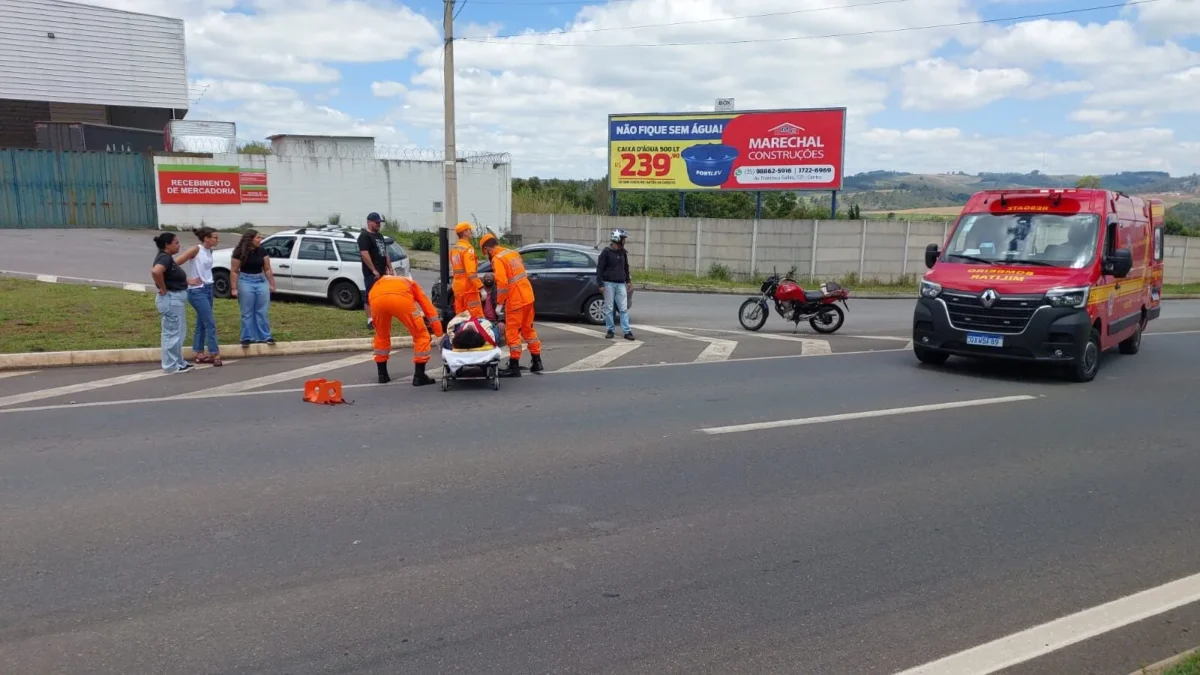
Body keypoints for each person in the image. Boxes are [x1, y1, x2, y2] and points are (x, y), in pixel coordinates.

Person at [481, 233, 543, 376]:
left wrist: (499, 303)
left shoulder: (497, 259)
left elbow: (502, 283)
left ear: (487, 249)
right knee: (528, 330)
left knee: (512, 332)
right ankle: (537, 361)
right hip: (528, 296)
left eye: (486, 253)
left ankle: (514, 366)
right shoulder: (512, 253)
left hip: (516, 300)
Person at [369, 274, 444, 386]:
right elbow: (427, 307)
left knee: (381, 335)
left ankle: (382, 375)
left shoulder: (380, 282)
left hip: (376, 299)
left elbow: (370, 297)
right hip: (400, 299)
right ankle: (419, 376)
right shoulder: (412, 284)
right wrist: (439, 332)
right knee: (421, 335)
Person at [150, 232, 201, 374]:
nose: (179, 246)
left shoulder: (168, 259)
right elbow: (156, 272)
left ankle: (178, 362)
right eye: (176, 243)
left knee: (178, 332)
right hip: (170, 300)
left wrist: (187, 281)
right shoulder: (164, 258)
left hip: (176, 300)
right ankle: (170, 365)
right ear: (167, 245)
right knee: (171, 333)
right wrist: (163, 288)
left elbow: (171, 276)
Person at [230, 229, 277, 348]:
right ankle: (246, 337)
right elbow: (234, 271)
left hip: (261, 280)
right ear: (250, 239)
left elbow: (267, 269)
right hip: (245, 280)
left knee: (262, 311)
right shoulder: (239, 252)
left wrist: (271, 284)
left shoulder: (262, 251)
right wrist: (234, 288)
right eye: (258, 237)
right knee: (247, 311)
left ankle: (265, 336)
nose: (260, 240)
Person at [185, 226, 222, 367]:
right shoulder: (196, 249)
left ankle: (199, 353)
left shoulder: (209, 250)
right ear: (206, 238)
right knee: (210, 323)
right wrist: (187, 280)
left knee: (201, 322)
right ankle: (215, 353)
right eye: (215, 237)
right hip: (197, 291)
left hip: (208, 289)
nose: (217, 240)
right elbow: (174, 263)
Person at [597, 228, 635, 340]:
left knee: (623, 309)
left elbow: (626, 267)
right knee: (609, 309)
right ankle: (610, 330)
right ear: (617, 239)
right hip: (608, 283)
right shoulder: (606, 252)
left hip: (621, 284)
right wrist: (600, 284)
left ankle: (627, 331)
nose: (624, 241)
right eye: (623, 239)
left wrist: (628, 280)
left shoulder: (623, 252)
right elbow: (600, 269)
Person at [358, 212, 394, 329]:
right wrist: (373, 270)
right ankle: (370, 320)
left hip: (382, 272)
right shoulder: (364, 236)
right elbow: (364, 254)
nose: (379, 224)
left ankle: (380, 315)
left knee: (382, 295)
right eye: (377, 222)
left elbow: (385, 252)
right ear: (369, 222)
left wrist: (390, 267)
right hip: (372, 274)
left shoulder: (379, 236)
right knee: (370, 295)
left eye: (379, 222)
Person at [450, 221, 484, 318]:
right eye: (469, 230)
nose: (471, 231)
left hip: (458, 288)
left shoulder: (454, 249)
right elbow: (471, 272)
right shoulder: (468, 249)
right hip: (469, 289)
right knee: (476, 317)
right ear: (465, 232)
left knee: (461, 317)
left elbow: (456, 268)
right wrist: (481, 287)